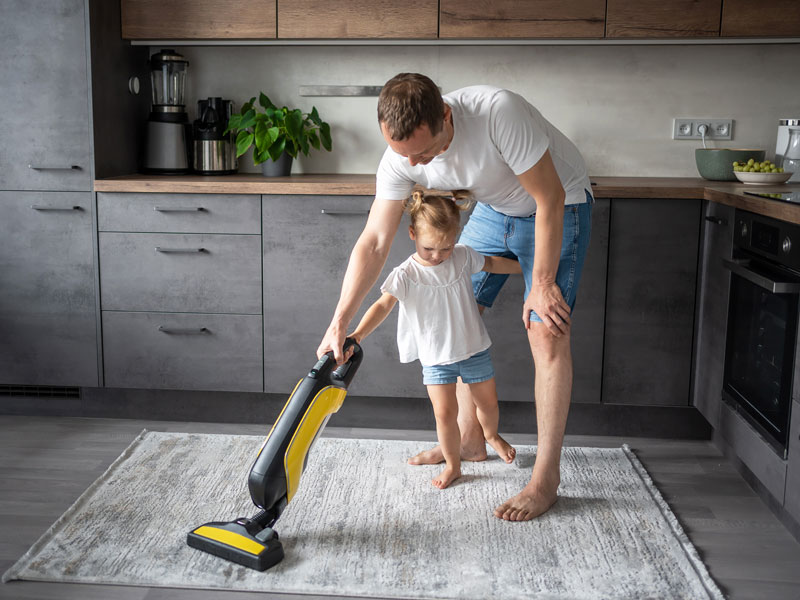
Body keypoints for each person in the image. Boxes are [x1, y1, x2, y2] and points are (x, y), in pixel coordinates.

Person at [318, 73, 593, 521]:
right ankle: (469, 442)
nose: (417, 165)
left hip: (556, 206)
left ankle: (546, 478)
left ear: (446, 115)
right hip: (494, 209)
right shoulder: (402, 156)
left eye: (424, 153)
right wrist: (339, 321)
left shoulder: (497, 113)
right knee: (456, 310)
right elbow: (374, 241)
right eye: (405, 155)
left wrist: (539, 283)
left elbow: (550, 197)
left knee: (547, 330)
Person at [348, 189, 520, 490]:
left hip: (474, 350)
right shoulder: (406, 274)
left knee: (488, 405)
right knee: (445, 414)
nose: (438, 256)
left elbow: (491, 264)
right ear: (413, 233)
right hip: (436, 358)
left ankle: (490, 435)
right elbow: (382, 305)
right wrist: (357, 334)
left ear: (456, 238)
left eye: (446, 247)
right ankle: (453, 465)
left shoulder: (463, 256)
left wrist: (528, 268)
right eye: (430, 248)